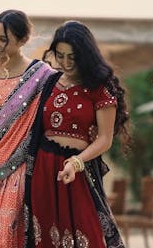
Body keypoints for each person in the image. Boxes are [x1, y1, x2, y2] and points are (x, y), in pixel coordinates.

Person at [25, 20, 131, 248]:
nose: (65, 62)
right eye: (60, 55)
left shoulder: (100, 87)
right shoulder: (49, 82)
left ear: (85, 54)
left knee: (88, 234)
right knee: (45, 235)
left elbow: (104, 139)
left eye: (71, 56)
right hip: (45, 169)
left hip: (79, 171)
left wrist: (76, 162)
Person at [0, 9, 55, 248]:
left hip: (22, 168)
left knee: (10, 237)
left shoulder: (43, 77)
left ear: (22, 40)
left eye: (3, 39)